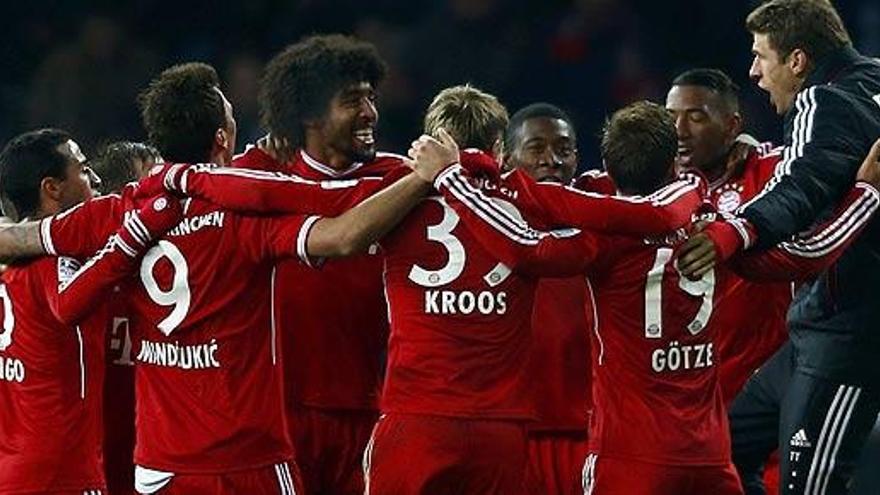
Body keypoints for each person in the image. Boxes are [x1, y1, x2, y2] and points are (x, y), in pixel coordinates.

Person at [143, 84, 709, 495]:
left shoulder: (390, 197)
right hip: (503, 425)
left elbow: (302, 196)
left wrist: (184, 177)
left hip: (414, 418)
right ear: (497, 145)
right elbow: (603, 222)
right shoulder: (528, 201)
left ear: (430, 142)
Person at [26, 62, 445, 495]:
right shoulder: (243, 221)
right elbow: (344, 237)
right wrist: (421, 179)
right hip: (248, 460)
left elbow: (25, 242)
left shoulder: (118, 212)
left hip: (160, 466)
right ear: (223, 140)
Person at [426, 100, 880, 495]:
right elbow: (806, 257)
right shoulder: (714, 230)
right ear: (673, 164)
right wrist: (866, 192)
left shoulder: (597, 240)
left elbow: (528, 248)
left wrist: (461, 177)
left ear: (604, 165)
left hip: (628, 455)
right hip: (707, 454)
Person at [676, 1, 880, 492]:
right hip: (817, 327)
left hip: (848, 335)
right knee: (725, 453)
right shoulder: (872, 80)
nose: (754, 73)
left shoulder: (821, 101)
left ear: (797, 61)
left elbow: (798, 189)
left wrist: (732, 232)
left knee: (810, 486)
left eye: (761, 57)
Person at [254, 35, 401, 495]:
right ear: (309, 116)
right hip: (279, 410)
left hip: (375, 406)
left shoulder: (401, 181)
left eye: (371, 98)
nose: (369, 113)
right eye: (351, 101)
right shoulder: (259, 179)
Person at [0, 128, 176, 494]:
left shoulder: (15, 264)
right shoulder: (56, 260)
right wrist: (134, 235)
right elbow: (67, 305)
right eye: (82, 169)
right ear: (52, 188)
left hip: (17, 468)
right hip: (63, 473)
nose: (93, 177)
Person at [503, 102, 592, 495]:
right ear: (508, 159)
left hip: (588, 434)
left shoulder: (605, 214)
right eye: (536, 148)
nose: (551, 160)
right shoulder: (485, 220)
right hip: (512, 433)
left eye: (563, 148)